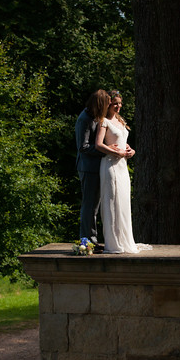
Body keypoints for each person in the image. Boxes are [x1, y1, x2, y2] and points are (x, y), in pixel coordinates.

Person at [95, 90, 151, 254]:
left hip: (122, 166)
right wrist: (115, 153)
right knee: (112, 202)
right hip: (110, 165)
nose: (118, 106)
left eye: (120, 103)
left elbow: (122, 141)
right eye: (115, 104)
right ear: (108, 105)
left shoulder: (120, 121)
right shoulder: (104, 121)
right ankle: (113, 243)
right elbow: (98, 144)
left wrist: (130, 150)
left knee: (123, 201)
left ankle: (124, 239)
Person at [75, 89, 112, 248]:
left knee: (94, 206)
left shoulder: (95, 117)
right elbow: (83, 147)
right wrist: (105, 151)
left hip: (96, 167)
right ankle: (88, 240)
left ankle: (92, 239)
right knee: (90, 206)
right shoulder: (85, 119)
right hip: (88, 168)